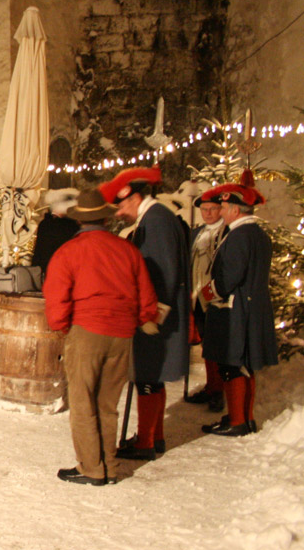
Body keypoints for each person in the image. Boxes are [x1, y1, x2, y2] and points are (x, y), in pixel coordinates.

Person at [44, 188, 158, 486]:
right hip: (122, 334)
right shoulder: (127, 250)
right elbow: (146, 292)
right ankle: (109, 465)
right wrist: (145, 317)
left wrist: (59, 325)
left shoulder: (70, 251)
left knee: (83, 402)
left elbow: (56, 294)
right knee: (107, 404)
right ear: (105, 221)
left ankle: (91, 468)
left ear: (80, 221)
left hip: (87, 330)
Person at [100, 167, 190, 462]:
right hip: (152, 312)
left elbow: (162, 273)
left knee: (148, 375)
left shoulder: (157, 221)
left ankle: (146, 443)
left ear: (135, 197)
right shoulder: (153, 219)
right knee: (152, 375)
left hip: (154, 315)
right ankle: (155, 436)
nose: (120, 212)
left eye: (122, 204)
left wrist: (151, 316)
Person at [198, 178, 277, 436]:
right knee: (243, 364)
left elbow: (229, 277)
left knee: (233, 364)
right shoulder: (257, 234)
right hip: (249, 307)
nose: (219, 212)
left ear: (235, 209)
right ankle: (242, 417)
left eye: (223, 207)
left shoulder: (240, 235)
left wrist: (206, 293)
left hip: (236, 310)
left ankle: (238, 421)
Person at [186, 193, 226, 411]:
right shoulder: (199, 233)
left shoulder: (224, 233)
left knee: (215, 347)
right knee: (207, 346)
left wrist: (208, 296)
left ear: (221, 209)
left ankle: (218, 390)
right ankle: (211, 386)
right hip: (197, 297)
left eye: (212, 209)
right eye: (205, 210)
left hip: (213, 297)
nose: (208, 213)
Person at [32, 190, 80, 274]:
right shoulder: (71, 226)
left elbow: (39, 254)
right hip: (65, 271)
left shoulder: (45, 224)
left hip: (49, 271)